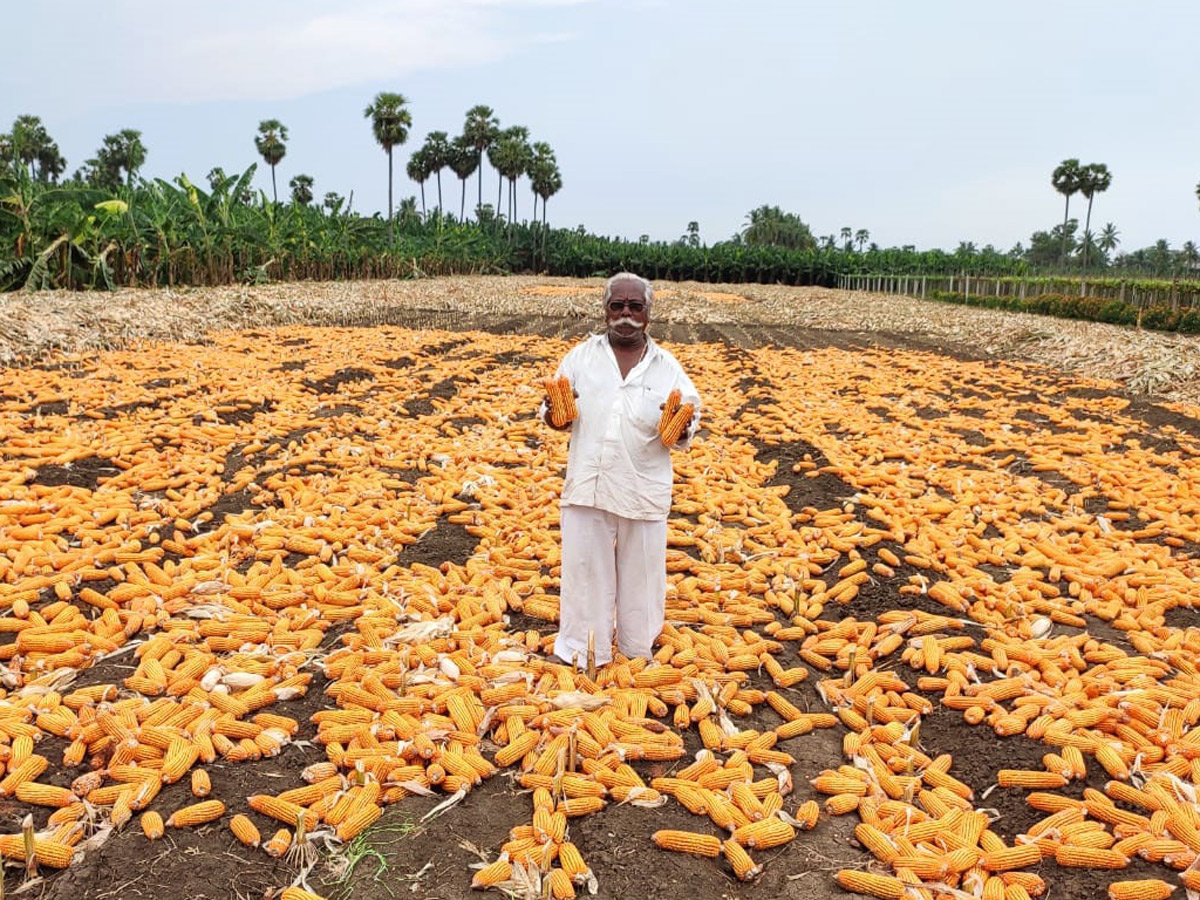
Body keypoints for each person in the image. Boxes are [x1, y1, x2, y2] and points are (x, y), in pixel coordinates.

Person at [540, 272, 701, 668]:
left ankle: (636, 653)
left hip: (641, 488)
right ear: (605, 309)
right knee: (584, 575)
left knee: (643, 581)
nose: (625, 314)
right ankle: (581, 652)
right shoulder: (580, 358)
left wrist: (678, 425)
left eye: (635, 306)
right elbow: (552, 410)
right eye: (617, 306)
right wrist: (556, 415)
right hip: (589, 485)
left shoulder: (668, 369)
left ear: (648, 313)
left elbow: (688, 425)